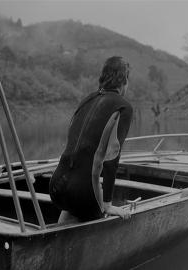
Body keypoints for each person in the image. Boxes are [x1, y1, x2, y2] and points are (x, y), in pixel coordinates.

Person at [49, 56, 133, 223]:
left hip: (56, 186)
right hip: (82, 192)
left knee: (72, 205)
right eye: (128, 79)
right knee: (95, 210)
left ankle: (58, 237)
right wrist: (107, 204)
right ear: (123, 80)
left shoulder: (87, 100)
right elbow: (112, 158)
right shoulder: (123, 106)